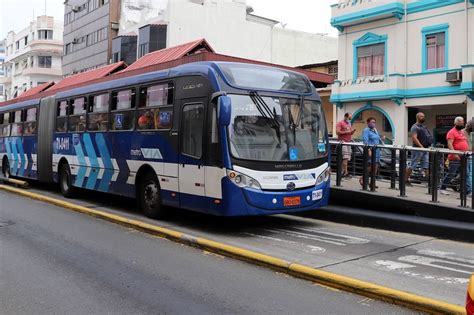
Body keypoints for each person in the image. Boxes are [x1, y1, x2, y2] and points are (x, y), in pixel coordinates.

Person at [440, 117, 471, 196]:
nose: (461, 124)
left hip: (464, 156)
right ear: (455, 123)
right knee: (451, 173)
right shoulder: (451, 132)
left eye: (462, 123)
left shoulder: (461, 132)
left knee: (466, 173)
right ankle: (443, 188)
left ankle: (468, 190)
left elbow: (465, 142)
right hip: (455, 157)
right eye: (459, 123)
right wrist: (455, 153)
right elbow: (450, 144)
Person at [406, 112, 433, 186]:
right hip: (418, 149)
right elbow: (414, 138)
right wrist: (421, 147)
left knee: (426, 165)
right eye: (421, 116)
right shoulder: (414, 127)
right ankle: (405, 180)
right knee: (413, 164)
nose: (423, 118)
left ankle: (430, 183)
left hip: (425, 149)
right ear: (417, 117)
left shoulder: (424, 127)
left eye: (423, 116)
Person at [360, 117, 385, 188]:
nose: (373, 123)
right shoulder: (366, 130)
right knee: (371, 167)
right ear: (368, 123)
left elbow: (377, 139)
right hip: (370, 151)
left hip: (377, 151)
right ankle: (363, 178)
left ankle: (372, 183)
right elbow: (365, 141)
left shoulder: (375, 130)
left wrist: (381, 139)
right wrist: (369, 150)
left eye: (374, 122)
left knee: (376, 167)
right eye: (372, 122)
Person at [336, 112, 356, 178]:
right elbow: (337, 132)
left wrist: (352, 132)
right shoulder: (340, 123)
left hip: (348, 142)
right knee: (345, 157)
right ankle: (346, 172)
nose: (350, 119)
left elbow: (350, 133)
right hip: (343, 142)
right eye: (349, 118)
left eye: (351, 118)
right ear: (345, 117)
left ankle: (342, 172)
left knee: (347, 158)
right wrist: (346, 132)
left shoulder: (349, 123)